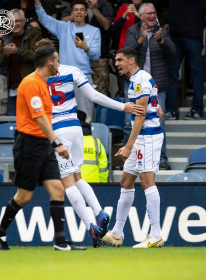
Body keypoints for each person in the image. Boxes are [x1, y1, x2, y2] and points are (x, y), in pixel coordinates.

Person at [35, 38, 143, 247]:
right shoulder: (71, 70)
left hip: (57, 131)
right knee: (77, 176)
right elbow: (94, 96)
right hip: (76, 128)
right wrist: (123, 107)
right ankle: (99, 211)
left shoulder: (35, 78)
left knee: (67, 183)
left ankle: (90, 226)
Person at [0, 45, 86, 251]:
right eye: (57, 61)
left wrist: (50, 142)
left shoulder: (43, 83)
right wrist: (56, 142)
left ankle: (60, 242)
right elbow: (40, 118)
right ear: (49, 63)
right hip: (29, 144)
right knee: (24, 196)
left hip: (43, 144)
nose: (59, 65)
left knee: (58, 189)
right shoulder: (31, 83)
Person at [101, 47, 164, 248]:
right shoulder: (137, 79)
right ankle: (117, 234)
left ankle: (156, 235)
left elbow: (141, 114)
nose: (116, 63)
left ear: (132, 60)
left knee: (146, 182)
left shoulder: (140, 79)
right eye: (116, 60)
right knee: (126, 181)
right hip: (142, 137)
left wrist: (129, 146)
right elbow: (160, 112)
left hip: (148, 138)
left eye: (120, 60)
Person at [124, 2, 175, 170]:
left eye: (154, 13)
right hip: (135, 87)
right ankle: (129, 158)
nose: (153, 16)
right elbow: (127, 53)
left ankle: (161, 159)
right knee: (129, 122)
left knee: (159, 122)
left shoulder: (162, 31)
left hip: (157, 85)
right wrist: (141, 37)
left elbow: (173, 52)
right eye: (149, 13)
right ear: (140, 16)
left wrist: (161, 40)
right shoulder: (133, 30)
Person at [35, 0, 101, 123]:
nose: (79, 12)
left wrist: (86, 48)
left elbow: (96, 56)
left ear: (86, 13)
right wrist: (37, 3)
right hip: (64, 78)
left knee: (86, 117)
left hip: (84, 78)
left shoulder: (94, 31)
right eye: (76, 10)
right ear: (72, 13)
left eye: (82, 10)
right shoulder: (63, 27)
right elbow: (44, 19)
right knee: (62, 115)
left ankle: (86, 141)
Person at [61, 0, 114, 96]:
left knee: (100, 92)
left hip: (100, 55)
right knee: (79, 92)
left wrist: (94, 8)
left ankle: (98, 111)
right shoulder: (75, 4)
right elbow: (62, 22)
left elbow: (106, 26)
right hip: (78, 56)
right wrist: (77, 13)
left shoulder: (104, 5)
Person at [0, 9, 42, 116]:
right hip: (13, 88)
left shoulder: (33, 33)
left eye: (17, 21)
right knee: (13, 123)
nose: (14, 24)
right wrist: (6, 55)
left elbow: (38, 55)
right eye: (11, 21)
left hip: (30, 87)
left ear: (23, 22)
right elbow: (0, 61)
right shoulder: (6, 36)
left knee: (32, 120)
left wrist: (18, 51)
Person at [164, 0, 204, 120]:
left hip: (193, 32)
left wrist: (195, 14)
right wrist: (167, 20)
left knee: (196, 72)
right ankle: (170, 109)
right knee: (171, 72)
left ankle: (197, 110)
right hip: (175, 33)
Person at [78, 110, 109, 183]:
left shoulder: (67, 143)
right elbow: (103, 167)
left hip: (72, 184)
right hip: (94, 184)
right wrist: (103, 184)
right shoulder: (96, 143)